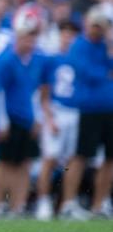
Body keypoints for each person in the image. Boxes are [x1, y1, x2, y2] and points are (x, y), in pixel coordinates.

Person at [58, 4, 113, 219]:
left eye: (102, 26)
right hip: (89, 109)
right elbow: (86, 72)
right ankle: (68, 203)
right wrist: (107, 72)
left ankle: (100, 204)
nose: (97, 30)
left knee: (110, 158)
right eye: (95, 26)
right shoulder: (79, 45)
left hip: (109, 109)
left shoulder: (104, 46)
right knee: (80, 156)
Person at [0, 13, 46, 215]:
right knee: (5, 162)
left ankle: (19, 204)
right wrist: (2, 122)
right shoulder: (7, 61)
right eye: (26, 37)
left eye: (32, 37)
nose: (30, 41)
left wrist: (37, 118)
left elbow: (36, 93)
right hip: (12, 117)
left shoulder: (35, 62)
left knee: (25, 162)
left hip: (27, 118)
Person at [36, 18, 82, 220]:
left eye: (72, 33)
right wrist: (48, 117)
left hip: (76, 111)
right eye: (65, 32)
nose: (68, 37)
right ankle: (43, 201)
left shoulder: (81, 59)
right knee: (50, 158)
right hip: (57, 110)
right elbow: (43, 92)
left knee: (73, 160)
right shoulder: (51, 60)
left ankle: (67, 203)